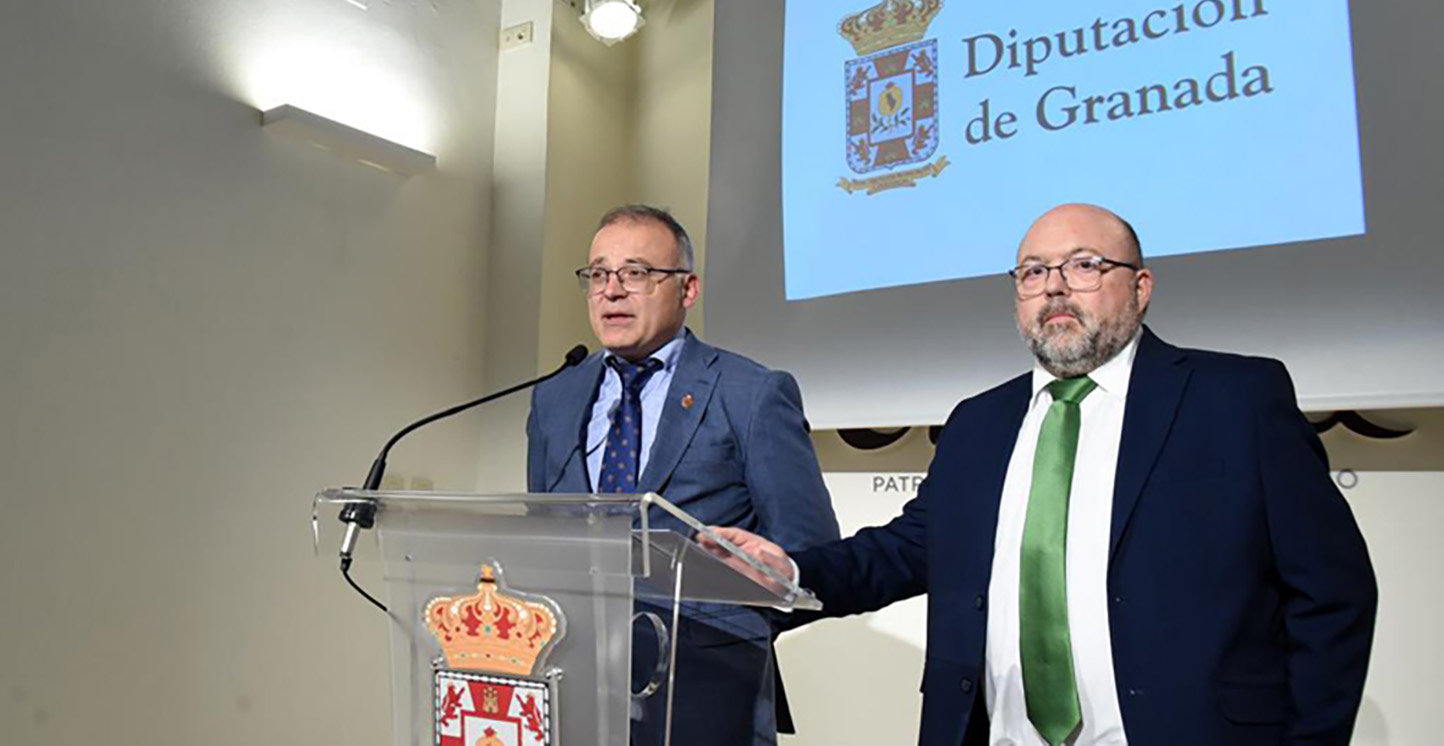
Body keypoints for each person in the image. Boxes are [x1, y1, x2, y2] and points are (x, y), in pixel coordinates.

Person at [708, 203, 1377, 746]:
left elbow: (1333, 593)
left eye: (1084, 265)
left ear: (1140, 288)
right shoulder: (978, 422)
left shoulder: (1235, 399)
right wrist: (789, 571)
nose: (1054, 286)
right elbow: (908, 551)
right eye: (1032, 272)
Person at [526, 203, 839, 745]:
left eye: (636, 273)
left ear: (687, 289)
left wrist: (729, 635)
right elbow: (544, 538)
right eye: (598, 274)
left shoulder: (752, 393)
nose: (611, 291)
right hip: (577, 688)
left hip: (708, 695)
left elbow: (811, 552)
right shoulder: (554, 397)